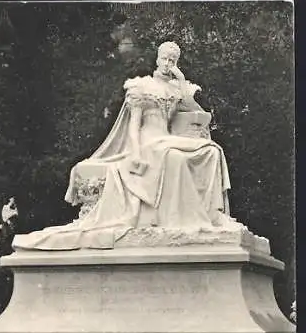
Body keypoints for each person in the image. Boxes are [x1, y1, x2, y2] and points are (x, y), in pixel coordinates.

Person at [13, 41, 238, 251]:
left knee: (212, 151)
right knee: (174, 157)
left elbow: (198, 113)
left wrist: (180, 80)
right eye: (165, 59)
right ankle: (183, 217)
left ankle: (210, 214)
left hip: (166, 138)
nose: (168, 64)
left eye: (173, 61)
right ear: (157, 59)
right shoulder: (140, 86)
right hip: (148, 142)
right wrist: (137, 153)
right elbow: (133, 127)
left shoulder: (176, 90)